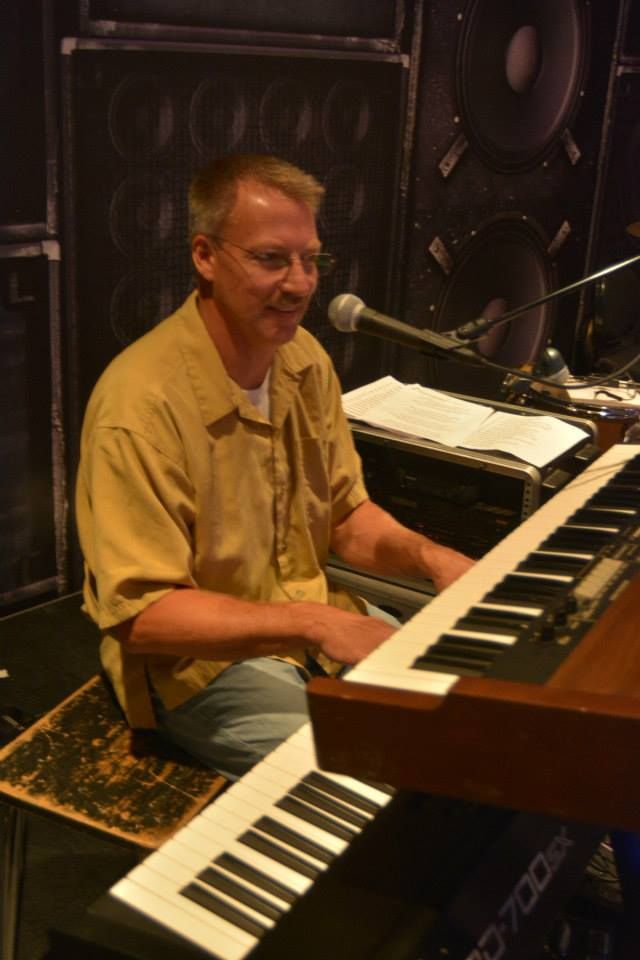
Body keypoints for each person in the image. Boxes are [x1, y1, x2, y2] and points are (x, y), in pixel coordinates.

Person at [75, 154, 474, 780]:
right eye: (271, 259)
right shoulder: (139, 408)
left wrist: (432, 559)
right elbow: (143, 617)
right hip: (197, 668)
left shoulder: (304, 360)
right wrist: (313, 623)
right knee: (383, 768)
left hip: (309, 618)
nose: (300, 283)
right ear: (205, 256)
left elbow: (345, 518)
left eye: (310, 259)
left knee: (473, 717)